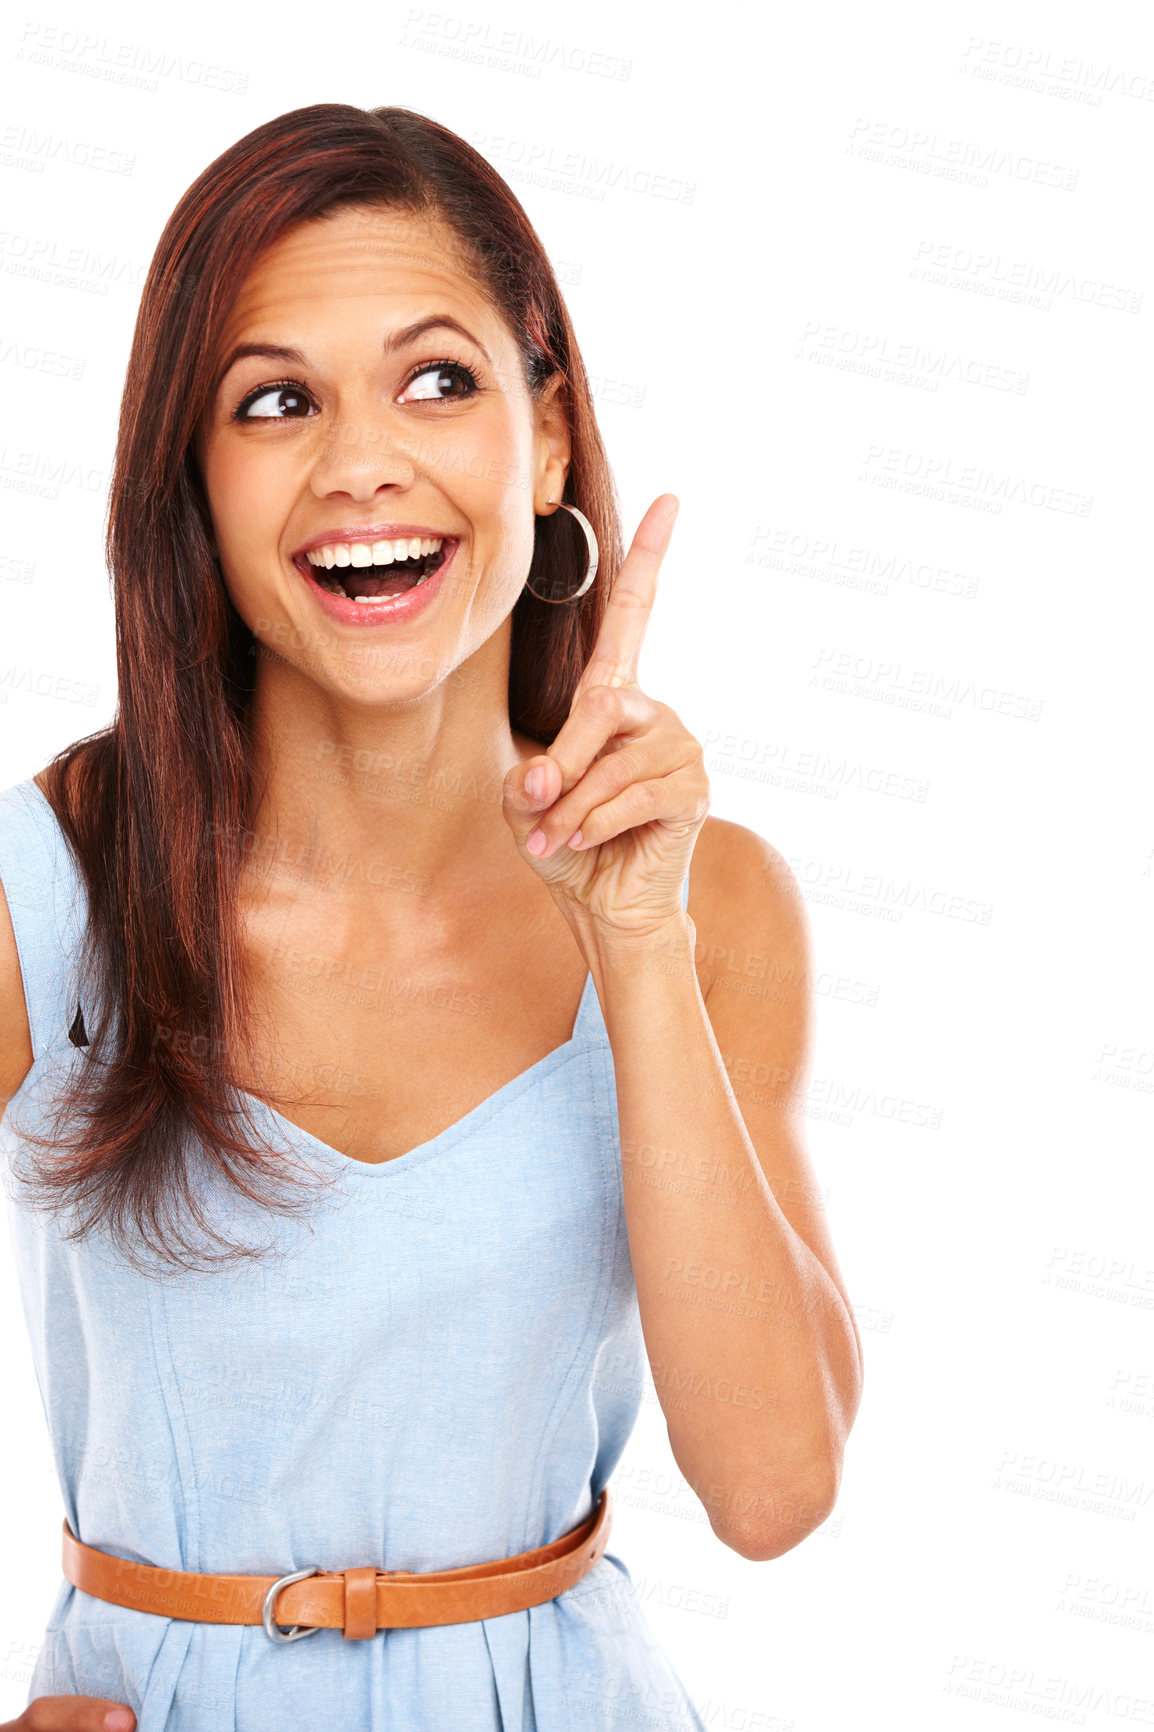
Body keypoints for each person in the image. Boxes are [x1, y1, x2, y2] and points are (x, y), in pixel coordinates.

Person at [0, 103, 863, 1732]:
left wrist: (637, 941)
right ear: (192, 474)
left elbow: (768, 1490)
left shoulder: (706, 897)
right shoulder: (49, 888)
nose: (361, 462)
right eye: (273, 402)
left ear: (544, 437)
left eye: (438, 379)